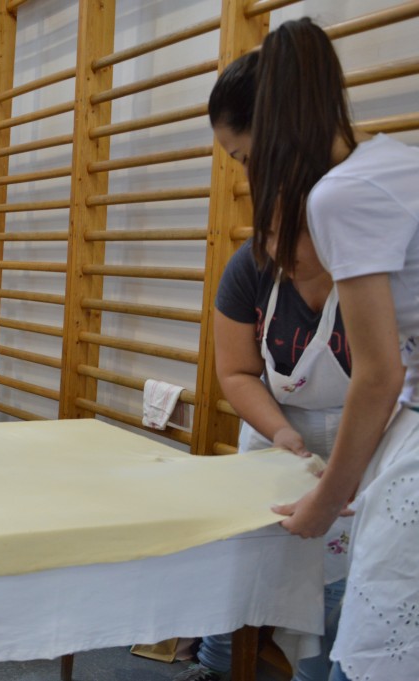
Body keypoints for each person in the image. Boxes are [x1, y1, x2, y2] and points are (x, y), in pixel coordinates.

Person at [248, 17, 419, 681]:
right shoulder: (393, 159)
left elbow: (379, 375)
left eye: (243, 159)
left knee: (374, 643)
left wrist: (325, 502)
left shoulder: (338, 196)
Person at [174, 51, 350, 681]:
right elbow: (237, 372)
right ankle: (216, 665)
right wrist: (282, 435)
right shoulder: (249, 268)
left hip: (367, 442)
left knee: (337, 597)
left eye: (244, 158)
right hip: (277, 436)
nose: (275, 249)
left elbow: (385, 382)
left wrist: (341, 479)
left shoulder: (371, 261)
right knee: (246, 576)